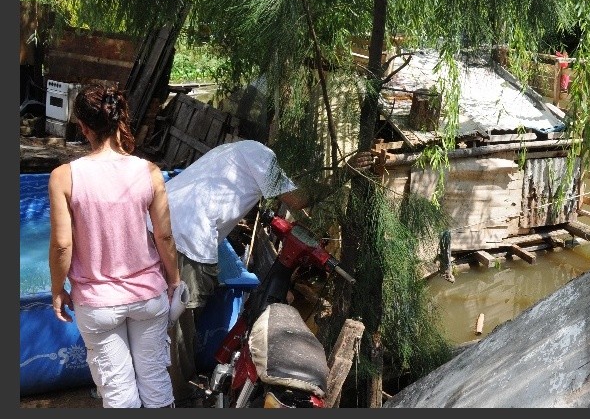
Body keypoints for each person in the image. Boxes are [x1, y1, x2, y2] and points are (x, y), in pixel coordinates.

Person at [158, 139, 373, 407]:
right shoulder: (260, 155)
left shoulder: (237, 149)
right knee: (180, 322)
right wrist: (344, 173)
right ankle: (179, 396)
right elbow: (298, 199)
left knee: (162, 311)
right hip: (187, 236)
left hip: (161, 221)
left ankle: (162, 381)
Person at [48, 84, 181, 408]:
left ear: (83, 127)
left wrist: (57, 289)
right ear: (120, 119)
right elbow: (164, 237)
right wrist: (174, 280)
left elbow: (63, 245)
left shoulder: (64, 177)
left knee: (118, 393)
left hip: (97, 304)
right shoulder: (149, 172)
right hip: (148, 297)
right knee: (155, 381)